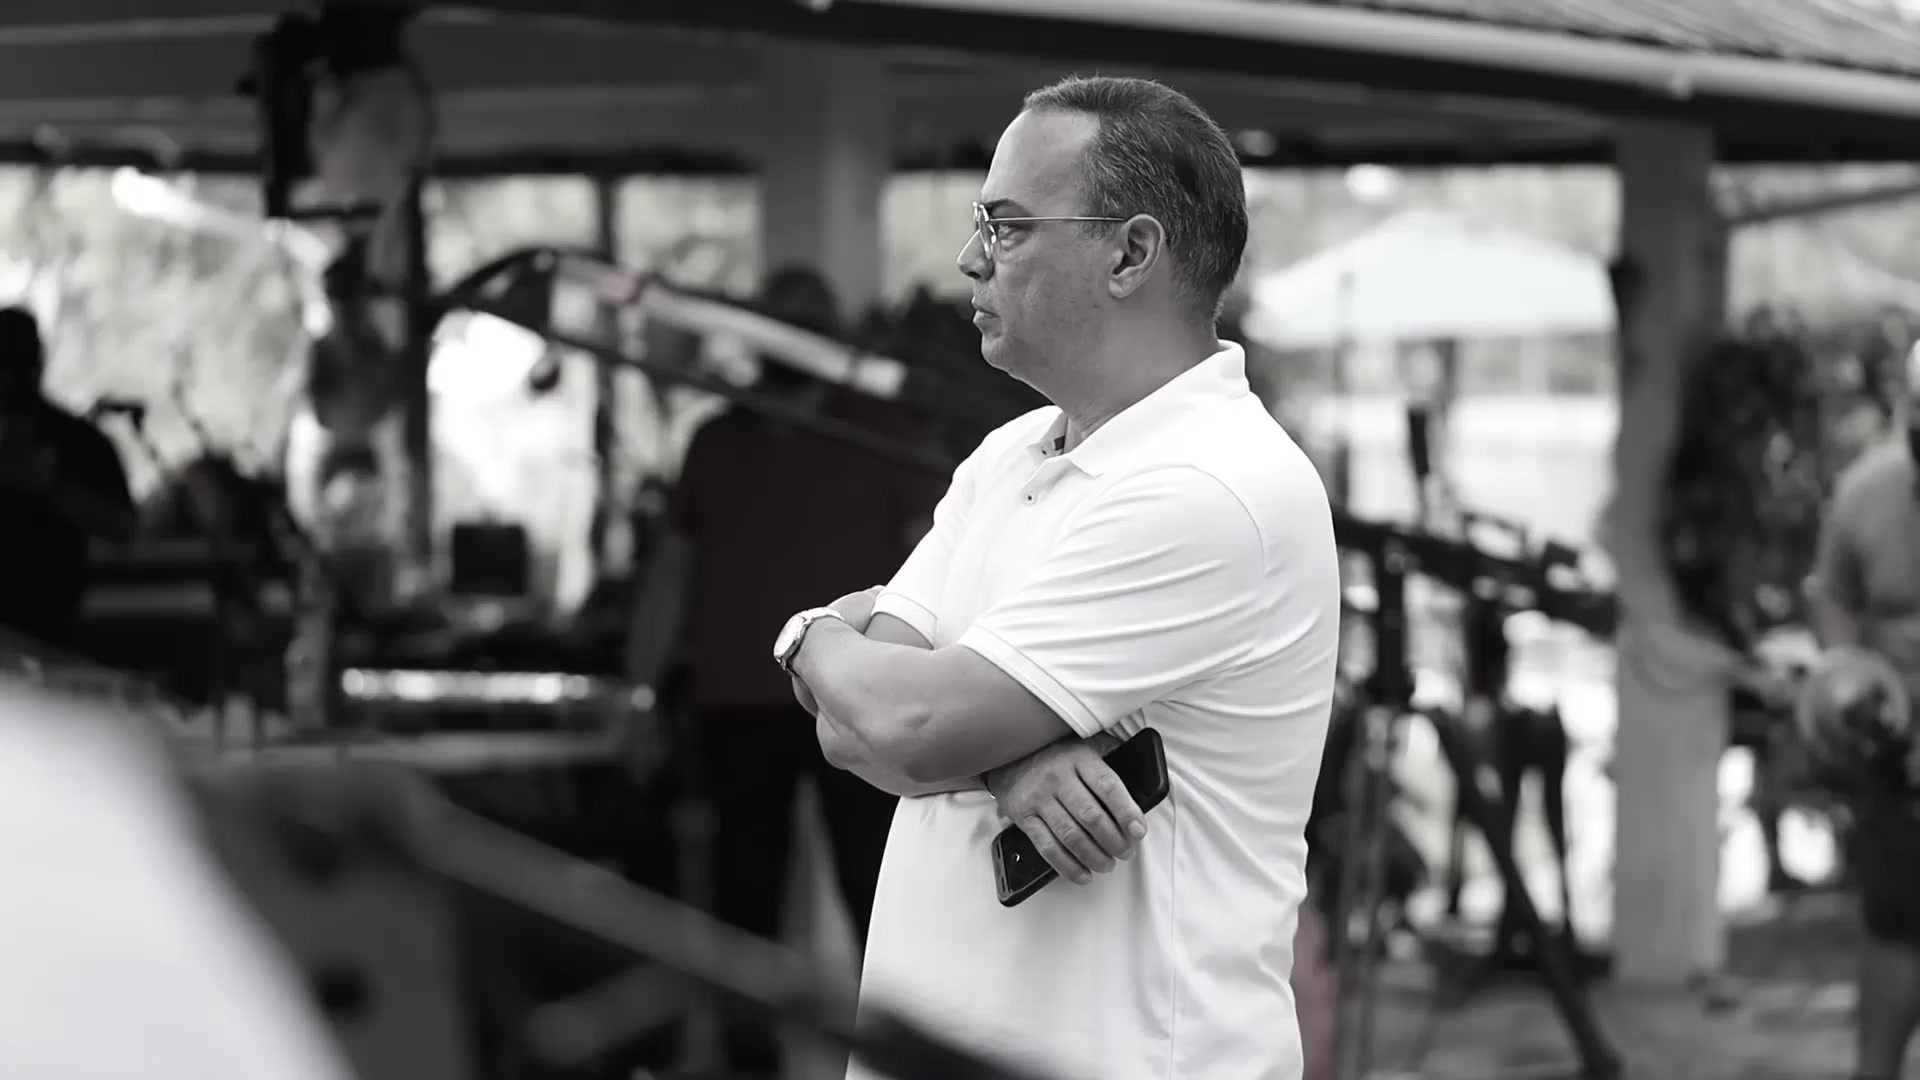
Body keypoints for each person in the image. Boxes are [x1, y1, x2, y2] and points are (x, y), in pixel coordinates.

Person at [780, 77, 1339, 1080]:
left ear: (1130, 253)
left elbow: (903, 723)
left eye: (1007, 227)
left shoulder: (1210, 484)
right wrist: (1008, 761)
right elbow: (851, 730)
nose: (970, 259)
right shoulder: (1010, 454)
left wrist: (811, 637)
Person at [670, 265, 943, 1075]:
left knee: (877, 884)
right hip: (737, 699)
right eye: (775, 322)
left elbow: (935, 560)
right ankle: (746, 1060)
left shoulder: (882, 428)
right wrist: (645, 687)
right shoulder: (717, 441)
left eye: (802, 323)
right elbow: (673, 571)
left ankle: (890, 1057)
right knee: (742, 895)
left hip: (857, 700)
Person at [1807, 341, 1920, 1080]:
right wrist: (1846, 675)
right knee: (1895, 931)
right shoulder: (1867, 494)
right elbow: (1833, 597)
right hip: (1897, 764)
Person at [0, 307, 135, 648]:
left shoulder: (78, 441)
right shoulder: (82, 438)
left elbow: (122, 526)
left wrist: (50, 488)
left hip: (48, 624)